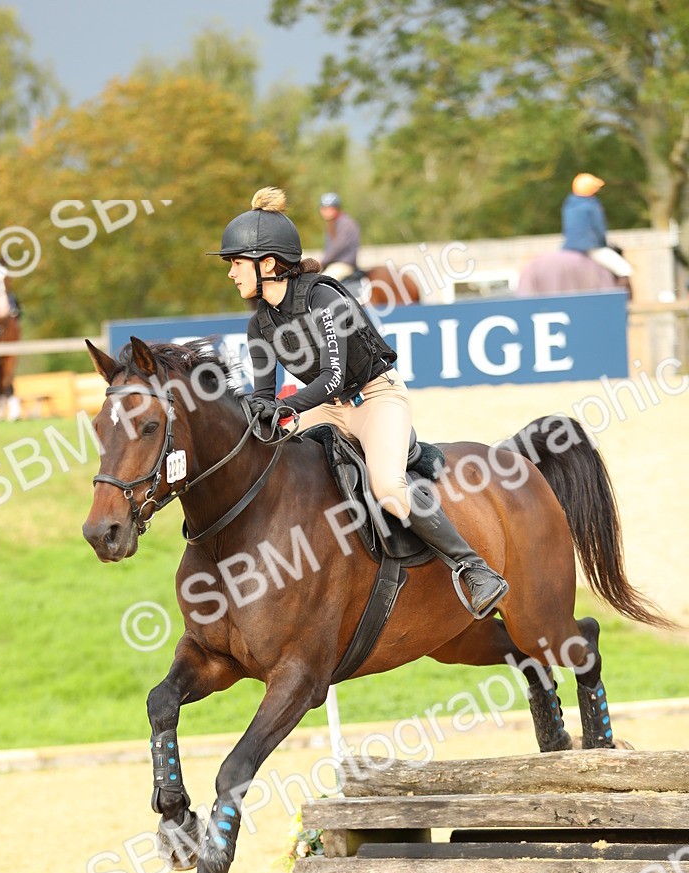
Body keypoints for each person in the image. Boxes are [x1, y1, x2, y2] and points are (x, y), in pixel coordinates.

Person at [210, 187, 508, 617]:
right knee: (264, 448)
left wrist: (287, 407)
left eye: (236, 264)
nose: (231, 273)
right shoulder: (260, 323)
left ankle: (473, 568)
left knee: (387, 487)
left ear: (268, 264)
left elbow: (333, 376)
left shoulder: (325, 299)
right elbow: (263, 396)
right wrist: (258, 415)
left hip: (375, 396)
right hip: (327, 407)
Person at [561, 174, 632, 279]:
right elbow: (598, 228)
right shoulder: (591, 205)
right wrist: (604, 244)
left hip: (569, 247)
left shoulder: (569, 204)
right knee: (624, 269)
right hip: (589, 246)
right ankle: (622, 295)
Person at [318, 192, 361, 281]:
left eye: (330, 208)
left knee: (324, 281)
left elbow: (338, 246)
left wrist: (322, 262)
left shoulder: (346, 223)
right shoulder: (332, 223)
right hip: (334, 264)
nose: (326, 212)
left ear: (337, 209)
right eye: (324, 208)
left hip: (344, 264)